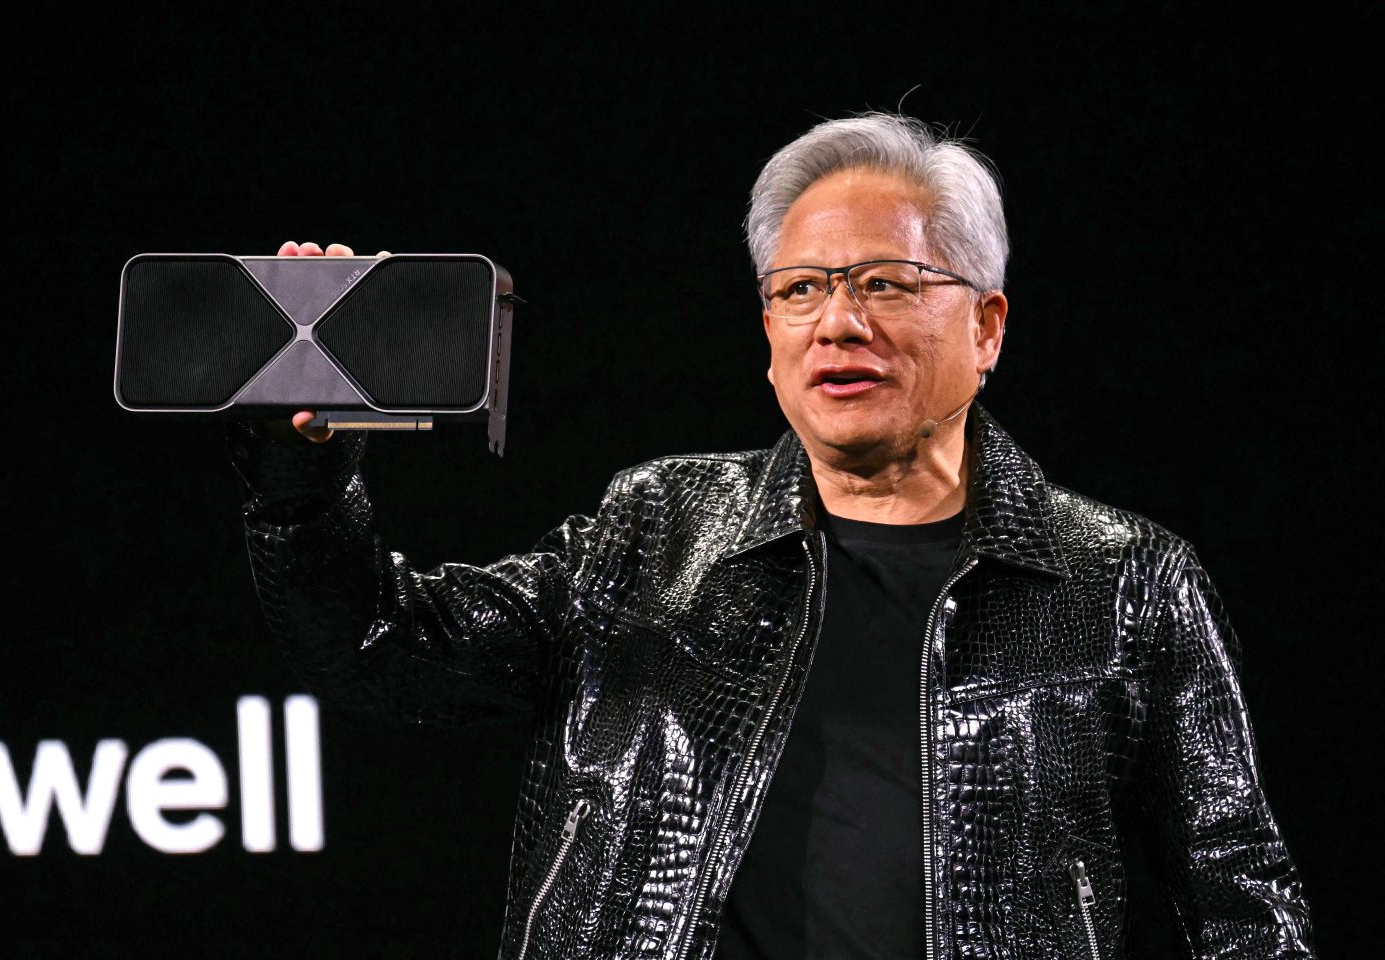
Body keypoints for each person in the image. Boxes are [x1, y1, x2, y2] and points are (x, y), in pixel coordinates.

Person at [229, 113, 1314, 958]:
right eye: (799, 290)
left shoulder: (1126, 581)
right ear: (767, 332)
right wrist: (304, 471)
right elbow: (376, 645)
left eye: (887, 284)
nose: (837, 323)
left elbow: (1242, 903)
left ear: (986, 326)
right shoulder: (652, 529)